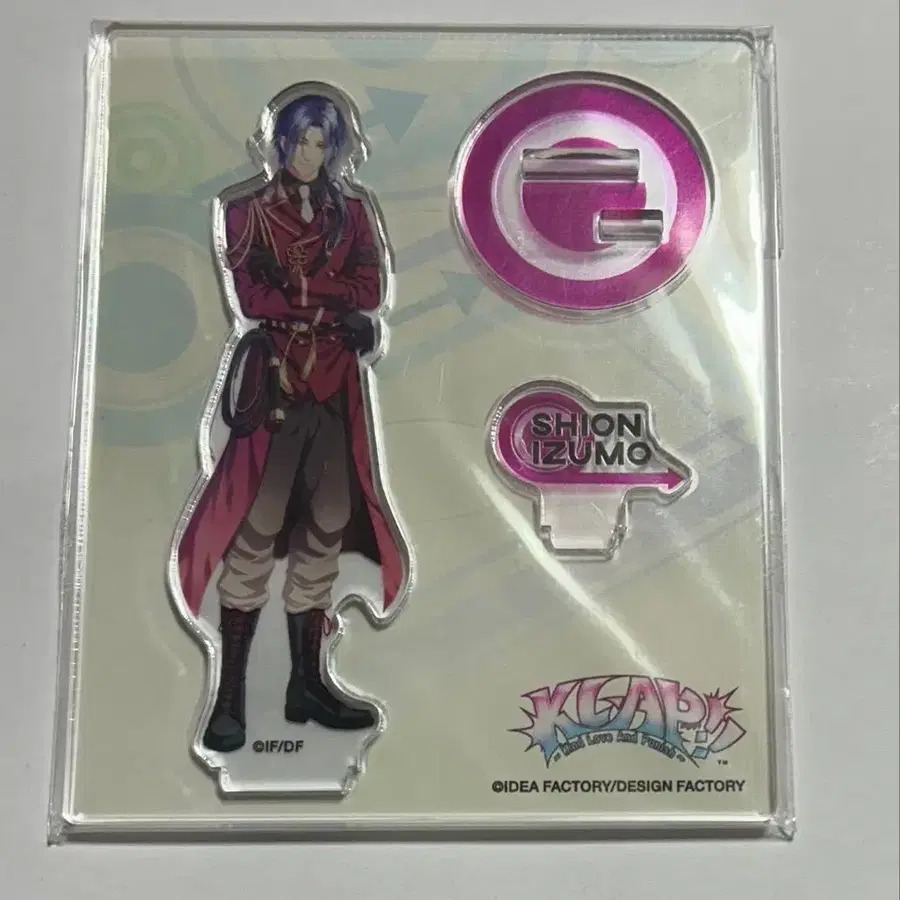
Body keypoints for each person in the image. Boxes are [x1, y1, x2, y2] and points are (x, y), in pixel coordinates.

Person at [177, 92, 404, 753]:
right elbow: (254, 298)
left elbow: (371, 290)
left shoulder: (352, 212)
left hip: (334, 387)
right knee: (256, 529)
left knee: (326, 526)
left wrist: (307, 298)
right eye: (302, 142)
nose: (311, 155)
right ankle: (229, 698)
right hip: (276, 383)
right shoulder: (245, 211)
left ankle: (306, 684)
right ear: (282, 144)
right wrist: (331, 305)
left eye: (322, 144)